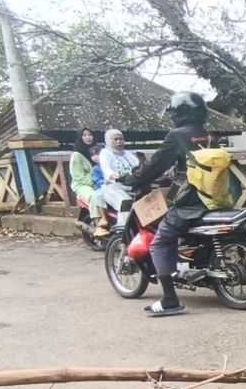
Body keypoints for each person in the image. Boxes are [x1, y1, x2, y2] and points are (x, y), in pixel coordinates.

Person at [123, 91, 213, 317]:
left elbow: (156, 165)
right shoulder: (207, 134)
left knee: (160, 243)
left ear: (180, 113)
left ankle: (170, 300)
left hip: (191, 199)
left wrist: (133, 179)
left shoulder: (177, 135)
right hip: (215, 196)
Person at [69, 128, 108, 236]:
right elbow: (78, 177)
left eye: (90, 135)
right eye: (85, 135)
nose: (88, 137)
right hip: (83, 184)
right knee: (94, 196)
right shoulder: (77, 155)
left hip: (101, 181)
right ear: (80, 137)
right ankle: (99, 224)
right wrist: (95, 181)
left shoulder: (99, 151)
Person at [99, 129, 140, 227]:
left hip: (131, 185)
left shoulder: (127, 154)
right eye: (115, 139)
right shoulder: (105, 153)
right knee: (125, 202)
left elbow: (138, 165)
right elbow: (106, 170)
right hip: (113, 187)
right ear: (108, 141)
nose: (119, 142)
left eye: (121, 139)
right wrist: (115, 175)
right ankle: (121, 230)